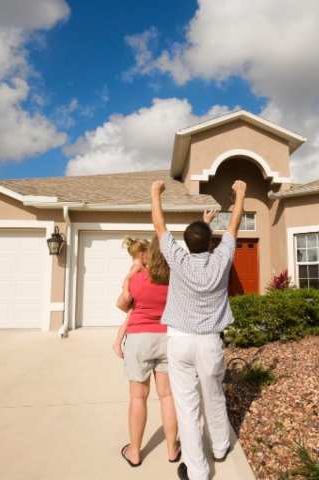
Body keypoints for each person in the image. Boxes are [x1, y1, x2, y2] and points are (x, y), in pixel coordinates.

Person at [151, 179, 246, 480]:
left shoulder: (178, 259)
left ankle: (197, 471)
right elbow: (233, 225)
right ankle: (220, 446)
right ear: (209, 243)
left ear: (186, 244)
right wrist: (240, 194)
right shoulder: (220, 259)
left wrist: (155, 193)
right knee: (214, 394)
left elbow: (159, 224)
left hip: (179, 341)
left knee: (187, 406)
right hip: (209, 343)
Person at [114, 235, 181, 467]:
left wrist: (129, 277)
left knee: (137, 396)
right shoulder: (173, 278)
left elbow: (122, 304)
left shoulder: (137, 278)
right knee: (167, 395)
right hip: (166, 338)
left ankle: (134, 452)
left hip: (139, 340)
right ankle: (172, 449)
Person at [112, 237, 150, 359]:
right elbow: (126, 280)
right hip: (134, 297)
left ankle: (117, 342)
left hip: (137, 296)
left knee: (128, 318)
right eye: (149, 253)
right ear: (142, 253)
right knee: (128, 319)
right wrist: (126, 292)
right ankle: (117, 343)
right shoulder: (137, 266)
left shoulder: (140, 265)